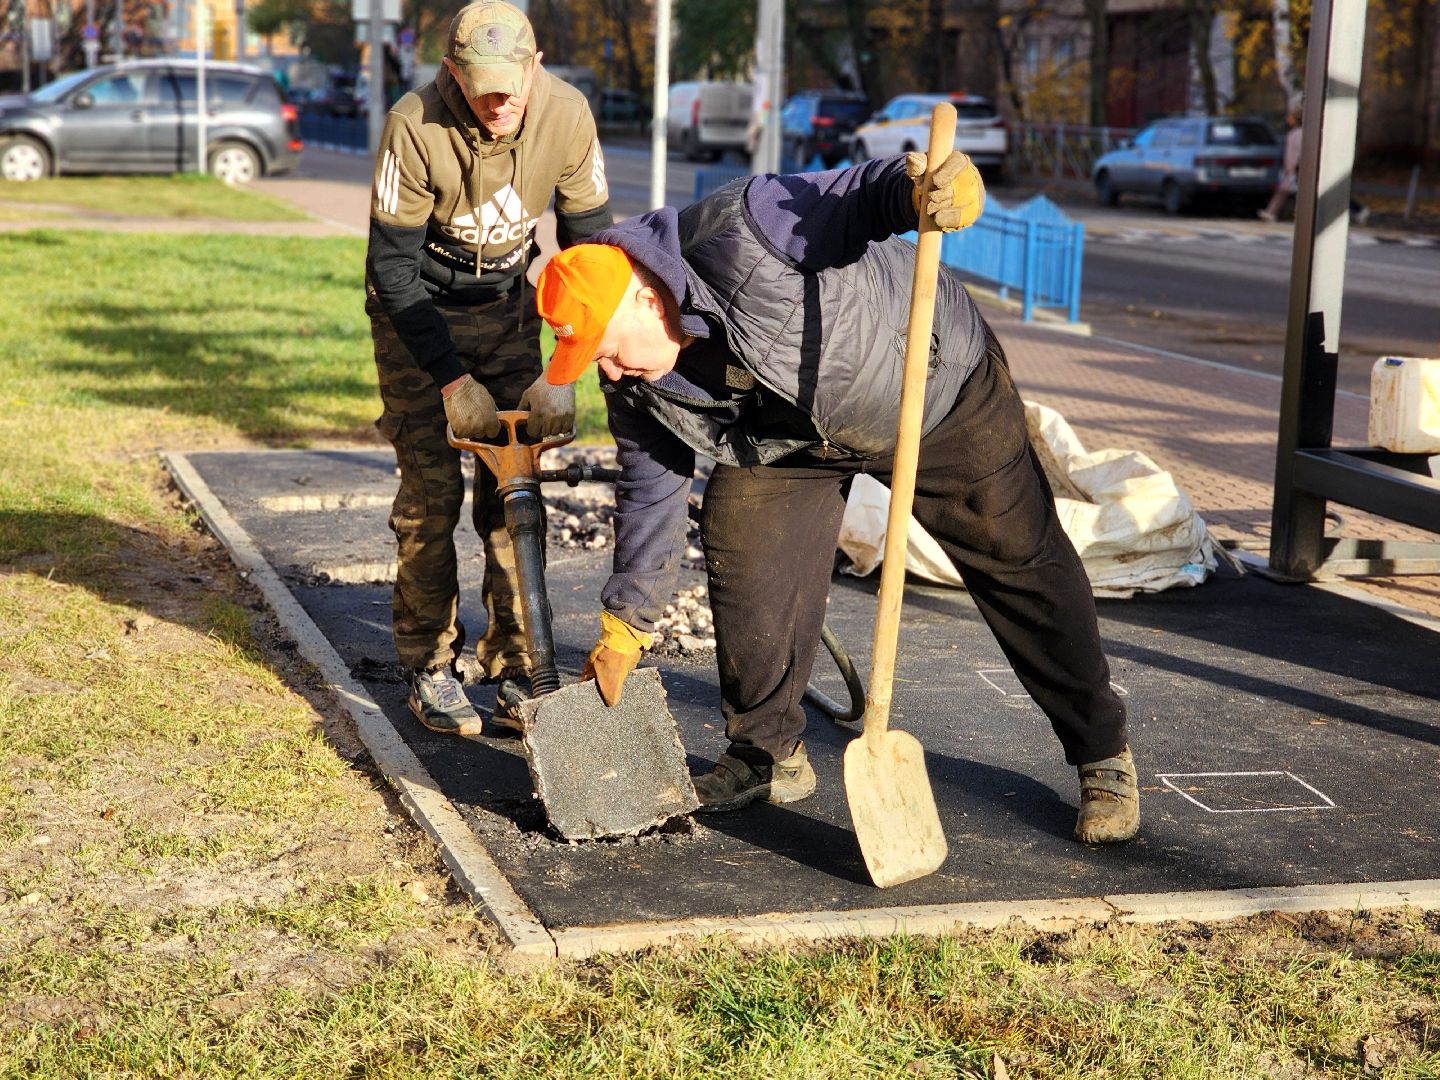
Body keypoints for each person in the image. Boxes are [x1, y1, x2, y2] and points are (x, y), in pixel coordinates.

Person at [533, 152, 1140, 844]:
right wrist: (624, 626)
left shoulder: (744, 228)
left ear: (645, 297)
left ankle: (1101, 752)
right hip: (788, 438)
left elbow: (858, 196)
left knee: (1018, 558)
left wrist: (923, 189)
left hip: (929, 389)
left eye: (610, 352)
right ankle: (768, 754)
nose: (610, 373)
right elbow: (650, 493)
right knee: (744, 542)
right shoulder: (634, 379)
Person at [365, 0, 613, 736]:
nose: (499, 101)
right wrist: (450, 381)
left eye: (513, 82)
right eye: (481, 85)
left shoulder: (567, 116)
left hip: (508, 307)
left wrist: (564, 371)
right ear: (451, 74)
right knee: (431, 497)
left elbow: (590, 255)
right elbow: (393, 273)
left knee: (513, 492)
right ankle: (427, 666)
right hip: (417, 319)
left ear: (536, 67)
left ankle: (514, 669)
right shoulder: (413, 125)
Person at [1259, 107, 1304, 223]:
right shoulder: (1295, 133)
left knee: (1288, 191)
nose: (1287, 119)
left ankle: (1272, 212)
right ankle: (1271, 212)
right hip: (1292, 167)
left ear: (1296, 118)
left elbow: (1296, 152)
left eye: (1290, 117)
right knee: (1283, 191)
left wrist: (1292, 166)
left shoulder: (1298, 134)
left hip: (1295, 167)